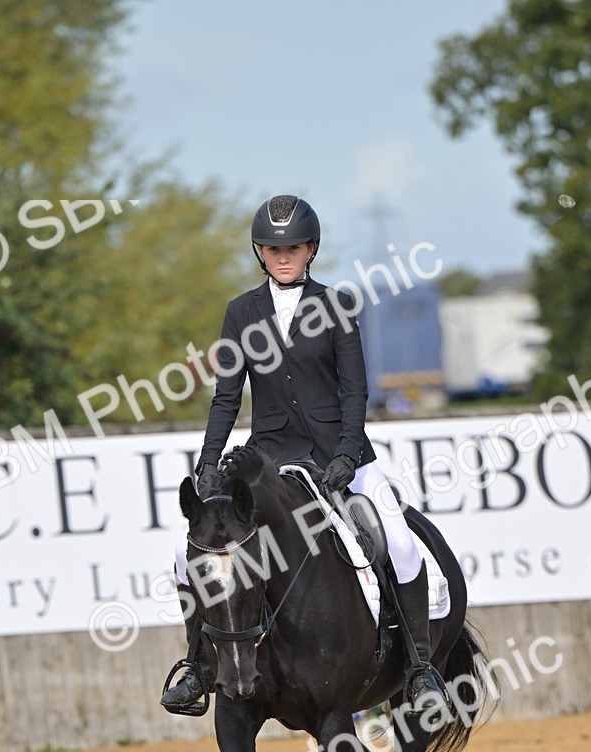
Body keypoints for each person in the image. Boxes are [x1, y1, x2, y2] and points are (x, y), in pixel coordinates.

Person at [161, 194, 449, 715]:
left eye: (293, 247)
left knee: (401, 543)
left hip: (340, 459)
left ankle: (420, 668)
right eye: (272, 249)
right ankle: (198, 668)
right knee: (188, 556)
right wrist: (208, 464)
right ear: (259, 252)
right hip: (268, 465)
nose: (283, 257)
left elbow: (354, 392)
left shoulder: (336, 306)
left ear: (311, 248)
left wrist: (344, 455)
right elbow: (227, 395)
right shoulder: (241, 312)